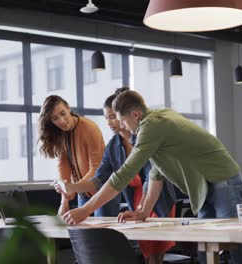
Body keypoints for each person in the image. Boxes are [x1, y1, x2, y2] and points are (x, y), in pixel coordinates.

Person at [62, 90, 242, 264]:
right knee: (206, 247)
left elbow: (124, 174)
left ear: (135, 115)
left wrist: (85, 210)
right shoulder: (157, 119)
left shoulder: (151, 126)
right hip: (204, 185)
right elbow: (156, 172)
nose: (121, 126)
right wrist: (144, 211)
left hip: (223, 179)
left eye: (122, 120)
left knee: (235, 243)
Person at [54, 88, 176, 264]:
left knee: (157, 252)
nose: (110, 122)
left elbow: (154, 176)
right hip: (136, 201)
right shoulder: (112, 146)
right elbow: (98, 180)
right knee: (148, 251)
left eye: (112, 117)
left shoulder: (145, 135)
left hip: (158, 196)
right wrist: (73, 187)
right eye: (106, 118)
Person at [38, 95, 120, 216]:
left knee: (102, 233)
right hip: (82, 193)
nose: (61, 120)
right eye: (55, 118)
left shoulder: (89, 128)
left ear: (68, 108)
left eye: (63, 113)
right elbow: (63, 166)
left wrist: (74, 187)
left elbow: (96, 168)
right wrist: (64, 201)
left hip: (103, 191)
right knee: (83, 233)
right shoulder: (60, 134)